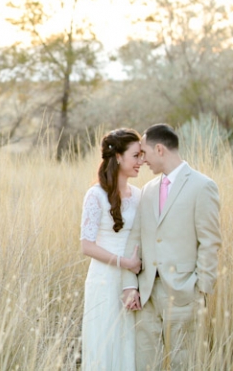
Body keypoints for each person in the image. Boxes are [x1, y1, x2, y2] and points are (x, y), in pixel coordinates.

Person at [121, 123, 221, 370]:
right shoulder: (148, 190)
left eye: (144, 153)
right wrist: (130, 285)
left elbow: (210, 242)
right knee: (146, 364)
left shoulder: (202, 186)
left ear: (159, 149)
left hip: (184, 294)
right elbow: (135, 239)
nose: (142, 160)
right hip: (146, 297)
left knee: (184, 363)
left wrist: (201, 290)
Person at [80, 128, 144, 370]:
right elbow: (86, 245)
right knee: (104, 343)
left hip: (131, 281)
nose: (141, 162)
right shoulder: (95, 195)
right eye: (136, 156)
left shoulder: (138, 195)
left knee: (128, 344)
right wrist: (124, 262)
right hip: (104, 280)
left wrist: (132, 277)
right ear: (118, 157)